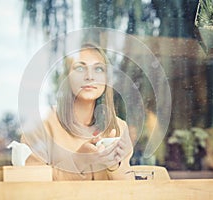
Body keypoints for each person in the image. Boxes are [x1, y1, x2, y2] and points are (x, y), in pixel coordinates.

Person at [21, 43, 134, 180]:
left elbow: (128, 190)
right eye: (80, 68)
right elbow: (30, 187)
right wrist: (79, 161)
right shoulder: (41, 126)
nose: (90, 76)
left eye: (98, 69)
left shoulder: (119, 128)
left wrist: (115, 166)